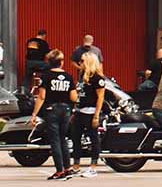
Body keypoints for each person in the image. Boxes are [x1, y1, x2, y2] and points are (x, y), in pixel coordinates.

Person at [29, 49, 77, 180]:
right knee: (63, 139)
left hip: (52, 109)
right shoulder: (69, 76)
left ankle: (59, 170)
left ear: (49, 62)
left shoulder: (46, 76)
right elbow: (74, 97)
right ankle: (68, 168)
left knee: (55, 140)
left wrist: (34, 114)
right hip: (66, 109)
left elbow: (42, 96)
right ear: (62, 62)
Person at [69, 51, 106, 177]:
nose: (80, 63)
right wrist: (75, 110)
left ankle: (93, 167)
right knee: (75, 138)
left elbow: (100, 97)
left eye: (83, 61)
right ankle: (76, 165)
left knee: (93, 139)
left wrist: (96, 115)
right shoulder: (82, 76)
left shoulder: (97, 78)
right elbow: (79, 95)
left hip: (90, 111)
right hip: (80, 111)